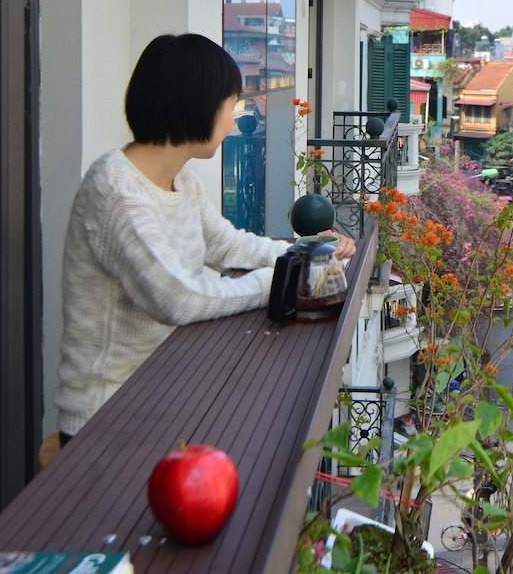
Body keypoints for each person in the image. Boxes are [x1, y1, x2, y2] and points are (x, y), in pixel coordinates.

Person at [54, 33, 354, 444]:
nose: (234, 120)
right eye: (231, 105)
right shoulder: (115, 190)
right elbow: (178, 298)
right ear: (195, 103)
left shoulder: (181, 179)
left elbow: (229, 245)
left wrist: (307, 254)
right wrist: (279, 280)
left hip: (163, 389)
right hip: (106, 417)